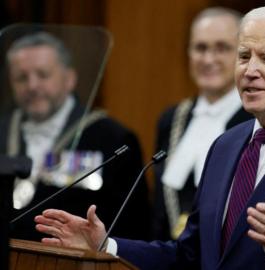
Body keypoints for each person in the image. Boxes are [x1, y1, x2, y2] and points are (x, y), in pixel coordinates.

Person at [34, 6, 265, 270]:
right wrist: (107, 246)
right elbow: (190, 255)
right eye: (244, 56)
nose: (249, 70)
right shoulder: (226, 145)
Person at [0, 31, 152, 241]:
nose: (32, 86)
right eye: (21, 77)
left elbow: (133, 226)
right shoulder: (3, 129)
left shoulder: (112, 138)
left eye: (43, 75)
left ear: (70, 78)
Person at [153, 7, 252, 240]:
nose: (208, 59)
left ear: (243, 55)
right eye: (200, 48)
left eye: (222, 48)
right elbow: (159, 205)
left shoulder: (257, 119)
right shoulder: (173, 118)